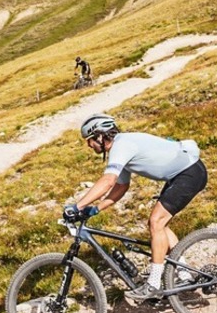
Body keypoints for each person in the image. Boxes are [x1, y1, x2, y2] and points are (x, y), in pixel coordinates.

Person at [63, 113, 207, 301]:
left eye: (90, 140)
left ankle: (153, 284)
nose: (89, 145)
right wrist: (96, 208)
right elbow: (121, 187)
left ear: (100, 135)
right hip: (181, 174)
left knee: (156, 222)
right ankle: (185, 274)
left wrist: (78, 205)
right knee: (160, 225)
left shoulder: (121, 146)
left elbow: (108, 181)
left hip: (189, 173)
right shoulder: (121, 148)